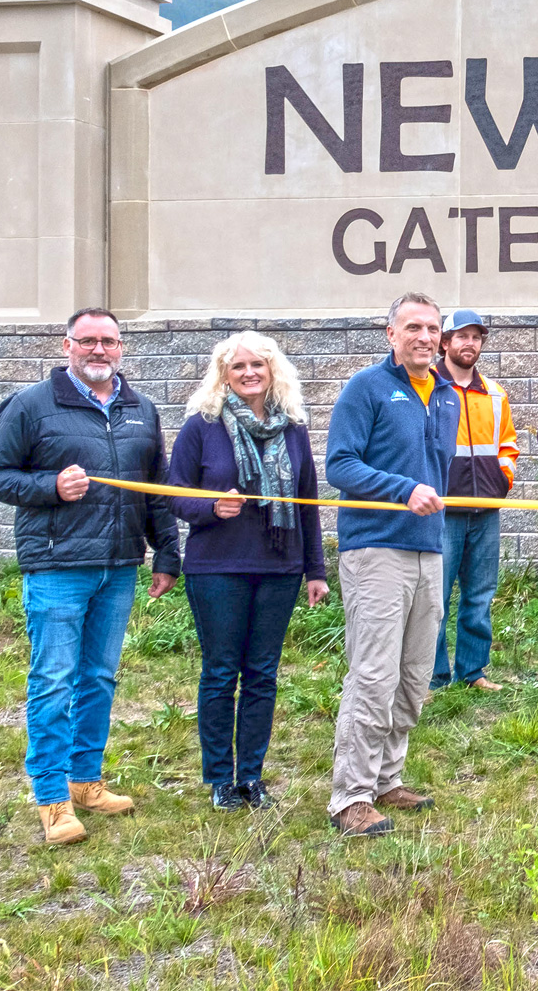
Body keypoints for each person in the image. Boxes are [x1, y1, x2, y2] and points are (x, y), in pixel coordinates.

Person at [0, 307, 180, 846]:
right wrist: (48, 487)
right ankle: (52, 800)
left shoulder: (141, 410)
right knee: (53, 681)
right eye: (87, 341)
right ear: (66, 346)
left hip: (119, 567)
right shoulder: (32, 406)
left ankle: (86, 782)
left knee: (99, 677)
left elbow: (154, 487)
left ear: (121, 348)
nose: (98, 351)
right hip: (57, 567)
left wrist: (166, 554)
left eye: (109, 341)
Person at [162, 331, 329, 811]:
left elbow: (308, 504)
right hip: (217, 567)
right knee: (220, 672)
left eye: (258, 365)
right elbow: (175, 492)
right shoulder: (202, 425)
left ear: (273, 370)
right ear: (224, 374)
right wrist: (211, 506)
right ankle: (219, 778)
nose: (249, 373)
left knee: (262, 673)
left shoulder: (293, 429)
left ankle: (251, 777)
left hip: (280, 568)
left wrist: (315, 570)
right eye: (239, 367)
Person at [322, 293, 461, 836]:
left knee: (413, 675)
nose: (425, 337)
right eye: (413, 327)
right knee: (374, 675)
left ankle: (386, 778)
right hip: (376, 549)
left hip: (430, 550)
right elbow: (339, 464)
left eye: (433, 328)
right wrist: (403, 491)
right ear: (391, 334)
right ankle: (350, 798)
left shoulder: (447, 395)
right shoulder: (367, 388)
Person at [431, 308, 519, 693]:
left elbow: (508, 445)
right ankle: (432, 676)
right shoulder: (427, 387)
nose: (470, 343)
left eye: (476, 337)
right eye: (461, 336)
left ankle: (473, 671)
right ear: (444, 343)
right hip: (440, 511)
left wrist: (502, 480)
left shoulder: (495, 393)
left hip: (486, 510)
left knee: (480, 595)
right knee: (434, 598)